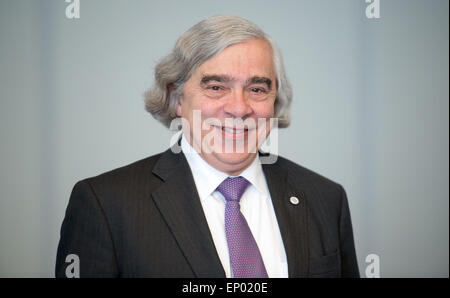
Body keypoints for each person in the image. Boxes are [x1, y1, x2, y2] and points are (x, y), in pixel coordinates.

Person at [55, 15, 359, 278]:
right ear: (176, 98)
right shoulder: (105, 205)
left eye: (257, 89)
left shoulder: (326, 199)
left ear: (274, 100)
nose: (239, 109)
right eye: (216, 87)